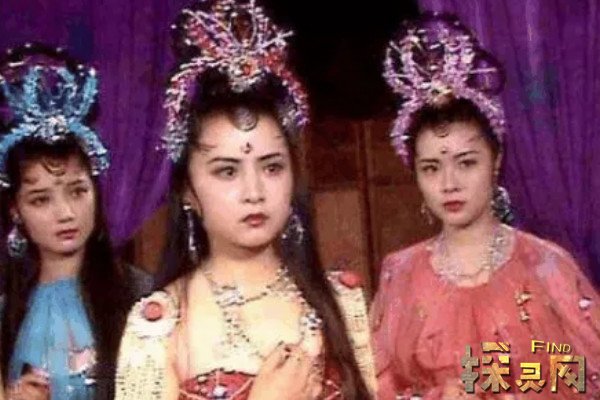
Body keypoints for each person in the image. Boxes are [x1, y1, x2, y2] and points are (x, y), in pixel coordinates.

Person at [115, 1, 376, 399]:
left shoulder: (340, 302)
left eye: (272, 167)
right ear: (188, 191)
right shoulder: (159, 324)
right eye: (227, 171)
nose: (254, 192)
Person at [370, 13, 600, 400]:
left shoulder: (547, 267)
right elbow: (377, 385)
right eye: (431, 168)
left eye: (466, 163)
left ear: (495, 161)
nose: (449, 184)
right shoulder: (400, 274)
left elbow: (588, 377)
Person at [0, 45, 142, 399]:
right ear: (15, 210)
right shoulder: (7, 308)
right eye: (41, 199)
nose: (65, 213)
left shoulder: (139, 296)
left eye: (77, 191)